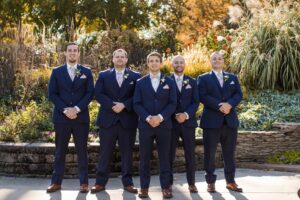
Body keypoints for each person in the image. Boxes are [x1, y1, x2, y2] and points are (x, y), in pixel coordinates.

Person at [91, 49, 141, 194]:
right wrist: (113, 106)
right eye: (117, 57)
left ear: (126, 60)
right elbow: (98, 94)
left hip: (127, 121)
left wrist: (124, 105)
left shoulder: (135, 76)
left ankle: (128, 183)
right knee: (105, 153)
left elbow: (138, 95)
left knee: (127, 154)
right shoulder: (104, 75)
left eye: (122, 57)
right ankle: (100, 183)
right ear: (113, 59)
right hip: (108, 120)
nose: (119, 59)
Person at [47, 42, 94, 193]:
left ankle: (84, 183)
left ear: (79, 53)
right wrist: (66, 110)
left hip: (81, 119)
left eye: (75, 51)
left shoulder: (86, 71)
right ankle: (56, 182)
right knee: (60, 151)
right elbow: (52, 94)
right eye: (70, 51)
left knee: (82, 151)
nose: (72, 53)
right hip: (62, 118)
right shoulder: (56, 72)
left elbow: (90, 93)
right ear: (65, 53)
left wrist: (77, 109)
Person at [197, 51, 243, 193]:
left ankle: (231, 181)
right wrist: (219, 106)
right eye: (214, 59)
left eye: (219, 58)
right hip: (211, 122)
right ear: (211, 61)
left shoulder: (232, 77)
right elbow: (202, 96)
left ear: (223, 61)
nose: (217, 60)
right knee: (209, 153)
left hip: (230, 122)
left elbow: (238, 94)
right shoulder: (203, 78)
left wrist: (229, 104)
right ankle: (210, 182)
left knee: (229, 153)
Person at [133, 52, 177, 199]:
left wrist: (159, 117)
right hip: (145, 126)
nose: (153, 63)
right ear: (148, 63)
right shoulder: (140, 82)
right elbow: (136, 103)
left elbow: (173, 103)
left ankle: (166, 187)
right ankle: (144, 187)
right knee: (144, 158)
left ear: (161, 63)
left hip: (164, 126)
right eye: (151, 61)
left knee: (165, 158)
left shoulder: (169, 82)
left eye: (156, 61)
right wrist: (147, 118)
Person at [169, 55, 199, 193]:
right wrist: (176, 114)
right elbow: (165, 101)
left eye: (181, 62)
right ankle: (167, 183)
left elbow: (195, 102)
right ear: (172, 65)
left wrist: (185, 115)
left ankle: (191, 183)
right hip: (171, 123)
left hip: (188, 123)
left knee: (190, 154)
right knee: (169, 154)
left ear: (185, 64)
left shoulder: (192, 82)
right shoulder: (166, 81)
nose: (179, 64)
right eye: (176, 62)